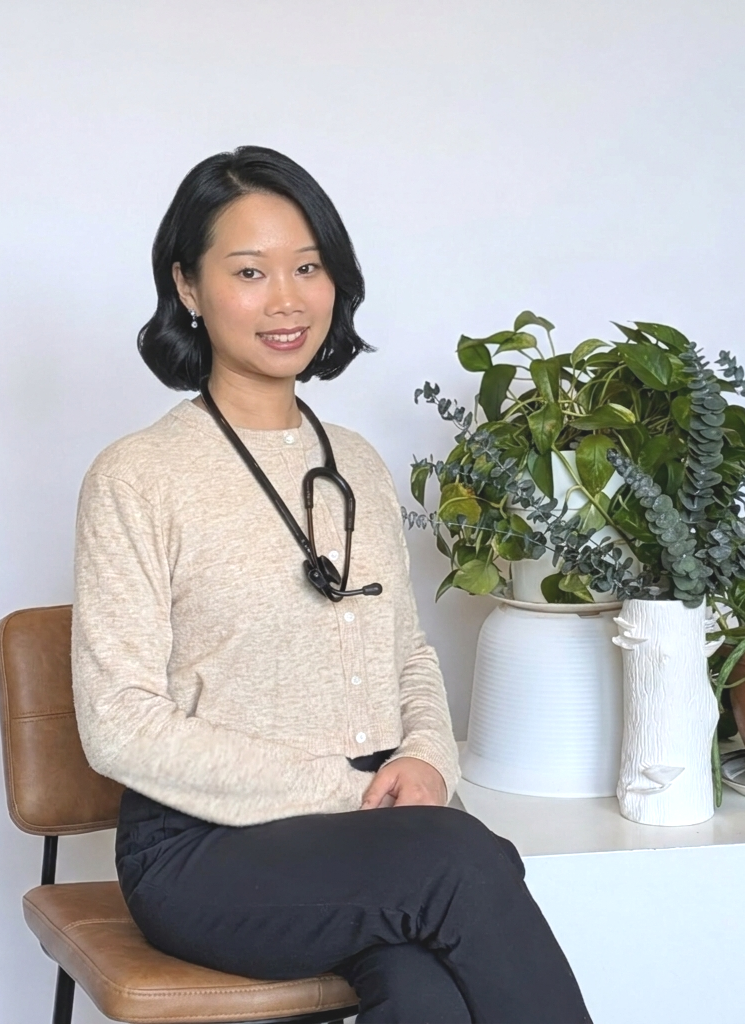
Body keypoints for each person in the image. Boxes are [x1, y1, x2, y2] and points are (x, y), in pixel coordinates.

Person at [71, 146, 592, 1024]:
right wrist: (351, 791)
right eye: (249, 272)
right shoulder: (138, 475)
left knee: (425, 990)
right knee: (464, 862)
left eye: (308, 267)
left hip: (374, 836)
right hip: (206, 850)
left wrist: (426, 760)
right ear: (188, 286)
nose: (287, 300)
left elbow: (407, 653)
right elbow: (117, 722)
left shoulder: (355, 462)